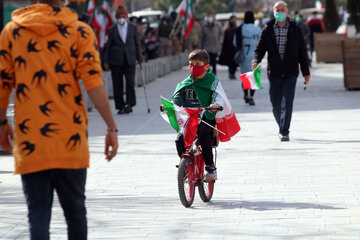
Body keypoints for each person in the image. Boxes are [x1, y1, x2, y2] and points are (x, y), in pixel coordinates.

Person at [0, 0, 118, 239]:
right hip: (70, 140)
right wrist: (111, 127)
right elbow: (94, 84)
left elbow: (2, 85)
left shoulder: (12, 32)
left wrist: (2, 123)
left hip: (31, 140)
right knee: (75, 213)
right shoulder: (79, 31)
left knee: (38, 215)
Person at [252, 1, 310, 141]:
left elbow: (302, 51)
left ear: (287, 11)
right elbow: (260, 49)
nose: (280, 12)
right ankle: (281, 125)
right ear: (273, 11)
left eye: (282, 9)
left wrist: (306, 72)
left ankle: (284, 131)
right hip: (275, 72)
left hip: (291, 72)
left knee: (287, 101)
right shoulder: (268, 28)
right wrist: (256, 61)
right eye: (277, 10)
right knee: (275, 102)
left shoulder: (295, 28)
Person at [170, 49, 225, 181]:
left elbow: (218, 96)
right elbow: (178, 97)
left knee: (203, 134)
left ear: (206, 66)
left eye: (198, 64)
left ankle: (210, 167)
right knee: (179, 139)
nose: (194, 67)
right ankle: (186, 165)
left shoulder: (212, 81)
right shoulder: (186, 82)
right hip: (189, 118)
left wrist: (215, 105)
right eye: (191, 64)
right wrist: (171, 105)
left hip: (206, 117)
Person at [104, 5, 142, 114]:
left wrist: (139, 57)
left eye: (123, 16)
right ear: (116, 17)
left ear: (126, 17)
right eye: (119, 16)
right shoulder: (112, 29)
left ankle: (129, 104)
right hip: (116, 60)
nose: (122, 18)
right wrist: (106, 60)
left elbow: (137, 43)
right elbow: (108, 46)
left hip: (130, 58)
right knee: (117, 83)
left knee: (130, 82)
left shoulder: (132, 27)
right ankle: (120, 106)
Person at [234, 11, 261, 106]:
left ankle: (246, 95)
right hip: (256, 57)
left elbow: (235, 43)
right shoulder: (257, 29)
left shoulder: (241, 28)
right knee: (255, 78)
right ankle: (251, 97)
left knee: (245, 77)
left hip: (244, 56)